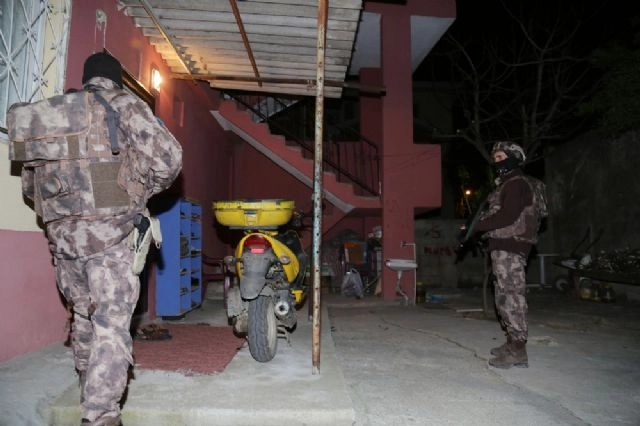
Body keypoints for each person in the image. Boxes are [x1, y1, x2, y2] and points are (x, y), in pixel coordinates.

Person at [7, 52, 182, 425]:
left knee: (83, 315)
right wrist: (139, 191)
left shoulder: (53, 115)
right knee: (111, 324)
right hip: (111, 236)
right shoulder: (125, 105)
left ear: (85, 78)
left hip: (63, 241)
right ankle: (100, 414)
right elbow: (169, 160)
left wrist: (63, 215)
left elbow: (30, 186)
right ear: (116, 79)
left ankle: (87, 385)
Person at [474, 141, 546, 369]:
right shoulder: (508, 184)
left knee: (512, 296)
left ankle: (518, 350)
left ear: (515, 158)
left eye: (501, 157)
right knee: (504, 295)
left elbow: (508, 217)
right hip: (505, 245)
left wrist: (477, 226)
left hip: (512, 245)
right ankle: (511, 342)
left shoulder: (516, 184)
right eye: (495, 159)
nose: (497, 162)